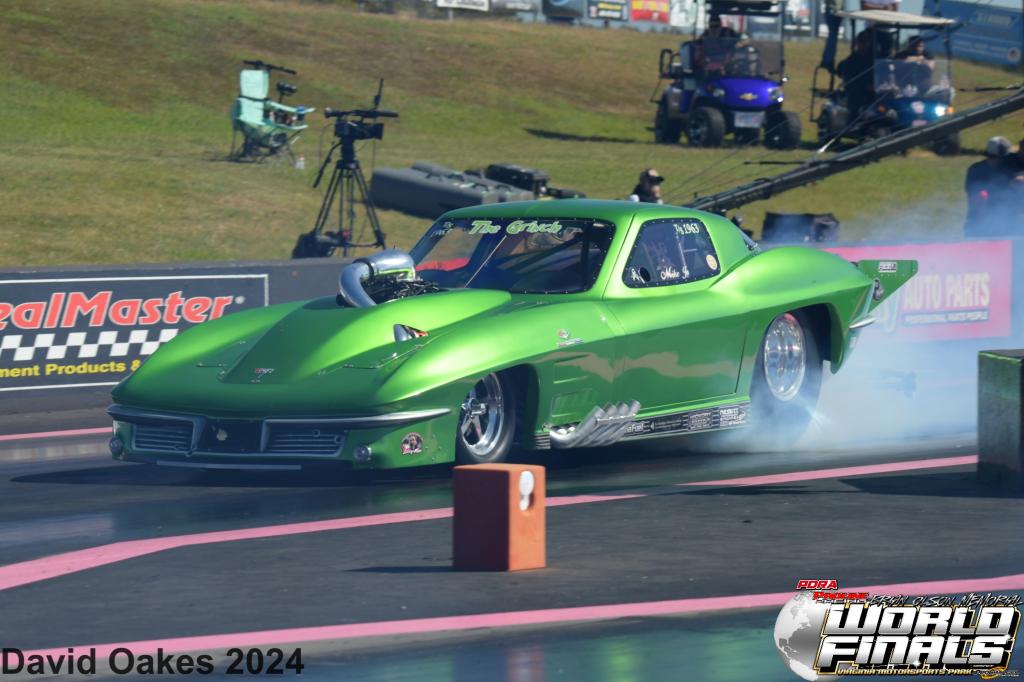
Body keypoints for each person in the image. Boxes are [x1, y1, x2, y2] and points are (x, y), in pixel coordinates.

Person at [964, 136, 1012, 236]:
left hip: (1004, 224)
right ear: (999, 156)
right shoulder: (976, 170)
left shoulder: (1007, 169)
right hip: (978, 223)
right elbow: (976, 196)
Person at [837, 31, 876, 120]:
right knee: (856, 98)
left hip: (874, 92)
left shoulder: (873, 60)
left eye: (866, 41)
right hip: (857, 93)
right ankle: (852, 122)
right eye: (861, 41)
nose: (864, 44)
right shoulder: (850, 61)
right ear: (857, 43)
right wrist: (866, 86)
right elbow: (849, 81)